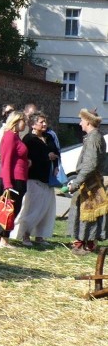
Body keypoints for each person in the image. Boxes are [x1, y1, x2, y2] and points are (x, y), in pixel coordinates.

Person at [63, 109, 108, 255]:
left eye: (81, 120)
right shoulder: (92, 136)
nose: (80, 123)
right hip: (90, 181)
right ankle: (83, 242)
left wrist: (76, 182)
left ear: (88, 121)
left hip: (91, 183)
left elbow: (90, 164)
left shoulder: (94, 138)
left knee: (89, 214)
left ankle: (87, 244)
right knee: (83, 212)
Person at [11, 112, 59, 246]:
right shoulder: (29, 139)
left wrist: (55, 165)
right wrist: (46, 157)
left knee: (46, 209)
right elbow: (29, 158)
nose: (44, 124)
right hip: (34, 177)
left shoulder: (49, 137)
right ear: (33, 124)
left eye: (45, 122)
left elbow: (56, 152)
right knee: (33, 208)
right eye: (41, 122)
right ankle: (25, 235)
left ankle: (40, 235)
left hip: (48, 178)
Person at [0, 110, 29, 248]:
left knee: (12, 209)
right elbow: (6, 161)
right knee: (9, 211)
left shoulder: (16, 136)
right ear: (16, 121)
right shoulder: (9, 136)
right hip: (12, 180)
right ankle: (4, 240)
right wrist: (8, 184)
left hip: (19, 177)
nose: (25, 124)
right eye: (23, 121)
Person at [0, 104, 15, 176]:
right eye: (9, 111)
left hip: (11, 160)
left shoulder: (16, 127)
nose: (11, 114)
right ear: (3, 112)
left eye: (13, 111)